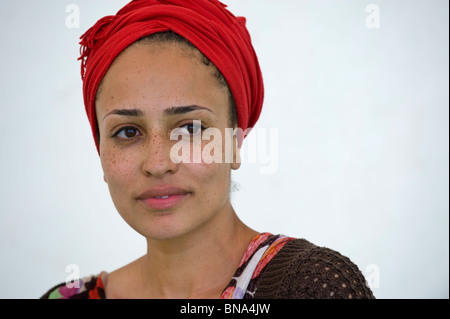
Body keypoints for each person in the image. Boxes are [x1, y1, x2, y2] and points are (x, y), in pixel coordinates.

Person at [41, 0, 374, 299]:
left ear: (236, 142)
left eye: (190, 128)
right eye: (128, 132)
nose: (158, 163)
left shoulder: (314, 287)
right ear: (101, 151)